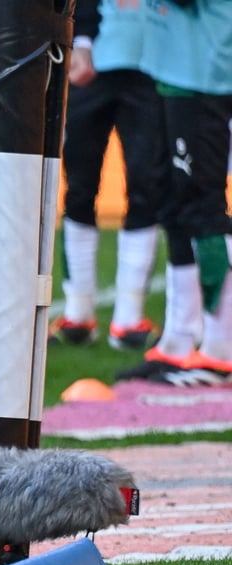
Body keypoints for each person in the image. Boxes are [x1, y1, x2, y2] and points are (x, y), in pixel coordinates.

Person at [116, 0, 232, 385]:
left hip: (203, 71)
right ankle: (179, 340)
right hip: (171, 67)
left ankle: (220, 349)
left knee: (203, 205)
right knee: (175, 204)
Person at [48, 0, 166, 351]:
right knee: (80, 187)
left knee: (146, 187)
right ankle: (77, 313)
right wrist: (80, 39)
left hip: (153, 63)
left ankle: (129, 318)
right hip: (95, 62)